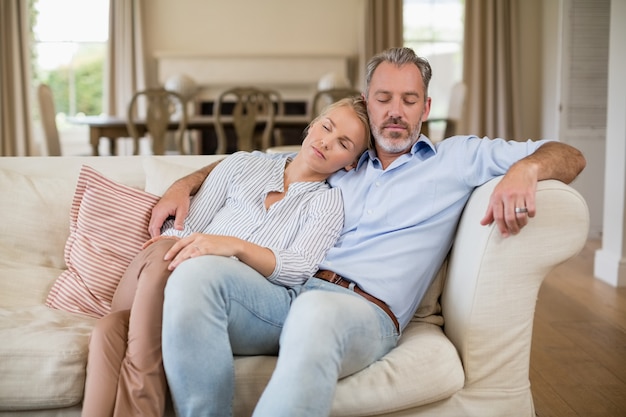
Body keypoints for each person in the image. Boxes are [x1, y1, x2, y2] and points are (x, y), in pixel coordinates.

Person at [156, 47, 586, 417]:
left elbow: (569, 155)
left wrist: (526, 169)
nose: (395, 111)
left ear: (426, 107)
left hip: (366, 313)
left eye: (409, 99)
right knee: (196, 274)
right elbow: (263, 161)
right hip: (288, 294)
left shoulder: (457, 158)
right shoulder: (343, 156)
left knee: (317, 313)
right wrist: (184, 184)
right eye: (384, 99)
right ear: (368, 101)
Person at [80, 96, 371, 417]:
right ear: (312, 124)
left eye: (343, 143)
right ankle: (142, 408)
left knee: (110, 330)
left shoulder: (327, 203)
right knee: (166, 249)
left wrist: (232, 246)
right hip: (158, 278)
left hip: (216, 305)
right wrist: (188, 247)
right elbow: (186, 227)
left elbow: (298, 269)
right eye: (326, 127)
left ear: (350, 163)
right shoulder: (243, 164)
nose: (326, 142)